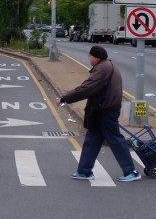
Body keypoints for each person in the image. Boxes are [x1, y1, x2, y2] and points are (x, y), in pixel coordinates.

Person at [58, 45, 141, 182]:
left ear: (96, 57)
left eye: (90, 56)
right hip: (102, 110)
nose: (88, 58)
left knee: (115, 140)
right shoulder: (107, 65)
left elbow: (87, 88)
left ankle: (131, 171)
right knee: (92, 140)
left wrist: (65, 98)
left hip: (105, 110)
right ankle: (84, 171)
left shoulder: (102, 69)